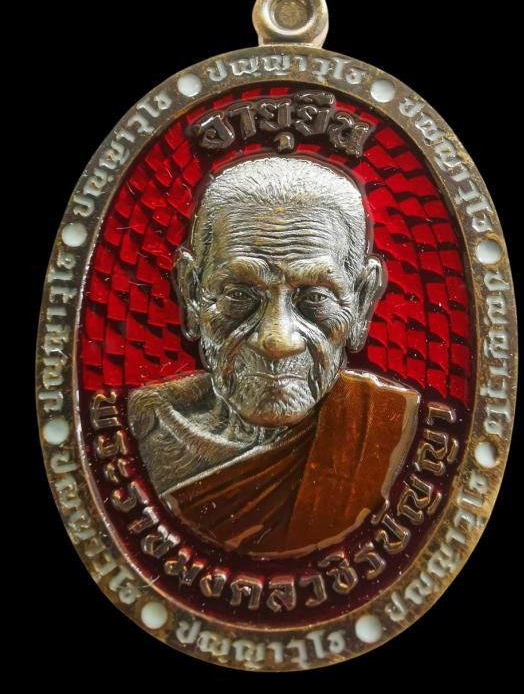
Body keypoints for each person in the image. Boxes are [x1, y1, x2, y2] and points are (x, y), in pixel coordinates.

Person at [128, 156, 420, 558]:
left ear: (363, 300)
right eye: (238, 295)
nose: (277, 340)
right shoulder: (147, 424)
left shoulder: (391, 425)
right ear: (192, 293)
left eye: (314, 298)